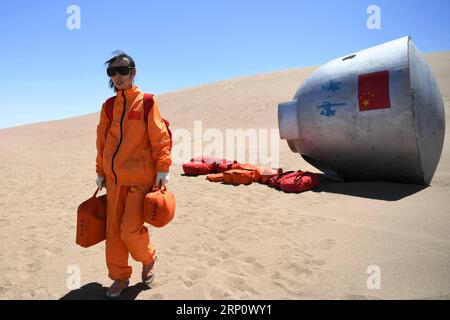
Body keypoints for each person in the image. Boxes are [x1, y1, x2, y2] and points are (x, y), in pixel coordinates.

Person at [95, 51, 172, 299]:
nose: (118, 76)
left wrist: (163, 168)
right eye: (112, 72)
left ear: (133, 72)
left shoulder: (147, 101)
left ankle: (148, 257)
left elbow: (159, 136)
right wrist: (100, 171)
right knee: (113, 234)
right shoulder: (108, 106)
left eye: (123, 71)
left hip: (140, 180)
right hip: (114, 181)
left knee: (129, 230)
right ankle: (120, 277)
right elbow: (102, 143)